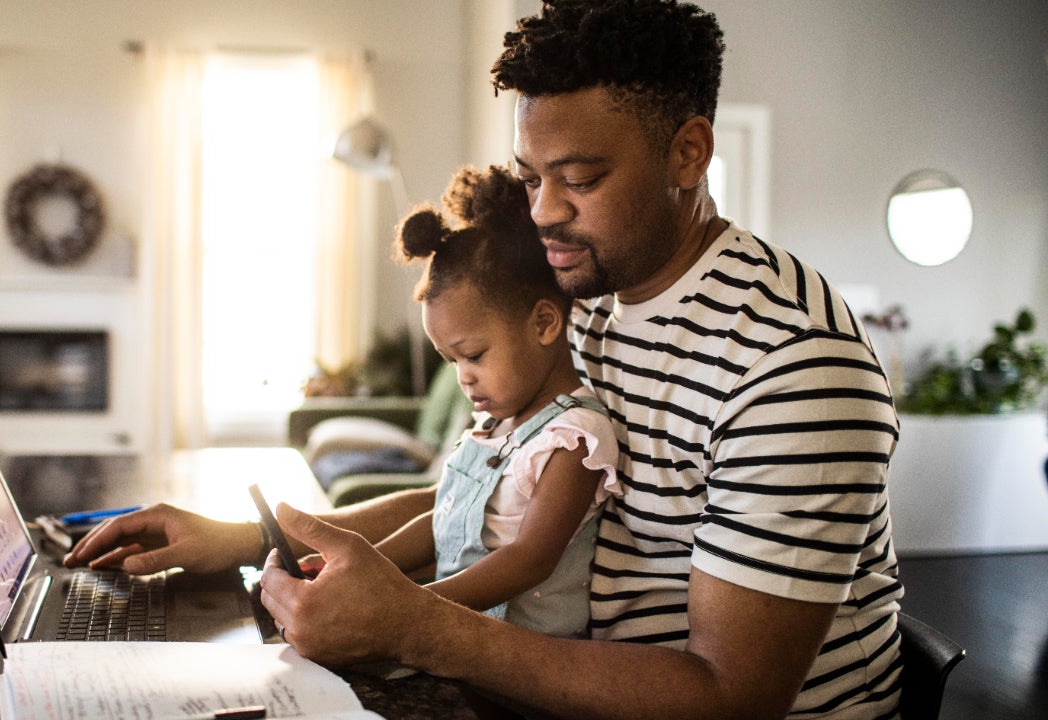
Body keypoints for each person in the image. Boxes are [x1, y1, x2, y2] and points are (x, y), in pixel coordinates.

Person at [67, 1, 904, 717]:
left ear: (689, 152)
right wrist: (251, 536)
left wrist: (411, 625)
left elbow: (730, 697)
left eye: (580, 177)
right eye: (530, 175)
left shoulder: (792, 365)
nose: (544, 211)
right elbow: (499, 493)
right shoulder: (587, 299)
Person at [364, 164, 619, 639]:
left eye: (474, 355)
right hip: (457, 636)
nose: (464, 378)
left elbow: (529, 560)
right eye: (451, 362)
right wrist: (363, 565)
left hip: (522, 660)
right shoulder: (493, 428)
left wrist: (406, 606)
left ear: (544, 323)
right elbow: (441, 519)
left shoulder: (575, 437)